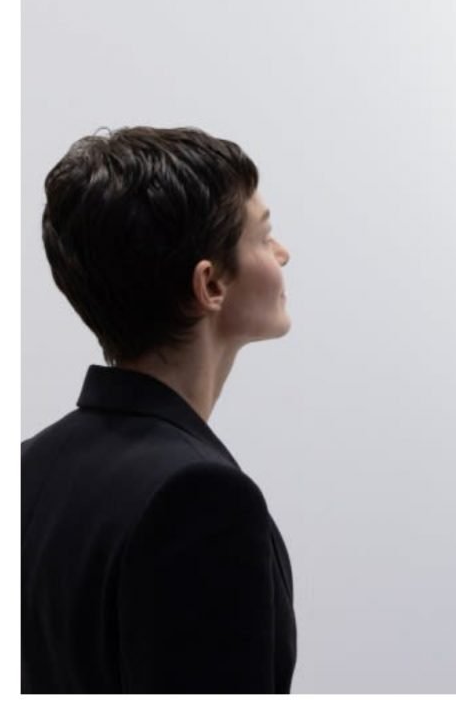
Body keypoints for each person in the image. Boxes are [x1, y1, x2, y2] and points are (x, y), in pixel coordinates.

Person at [22, 127, 296, 692]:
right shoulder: (201, 499)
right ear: (210, 283)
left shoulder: (27, 468)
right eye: (263, 236)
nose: (282, 253)